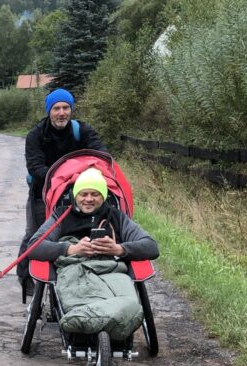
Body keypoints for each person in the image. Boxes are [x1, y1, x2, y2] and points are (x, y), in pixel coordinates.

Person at [28, 167, 159, 341]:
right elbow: (34, 246)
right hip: (75, 268)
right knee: (128, 308)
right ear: (76, 196)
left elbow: (151, 247)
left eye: (95, 194)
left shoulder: (117, 217)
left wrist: (119, 249)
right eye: (84, 194)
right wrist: (71, 249)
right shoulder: (61, 216)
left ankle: (84, 319)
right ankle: (102, 318)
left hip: (111, 270)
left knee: (132, 304)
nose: (89, 199)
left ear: (103, 196)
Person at [17, 88, 107, 297]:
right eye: (56, 108)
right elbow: (35, 168)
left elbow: (101, 155)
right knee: (35, 234)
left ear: (71, 110)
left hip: (78, 194)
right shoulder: (36, 135)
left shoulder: (82, 131)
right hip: (43, 192)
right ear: (49, 111)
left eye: (66, 108)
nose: (61, 113)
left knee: (79, 233)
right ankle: (27, 278)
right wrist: (65, 177)